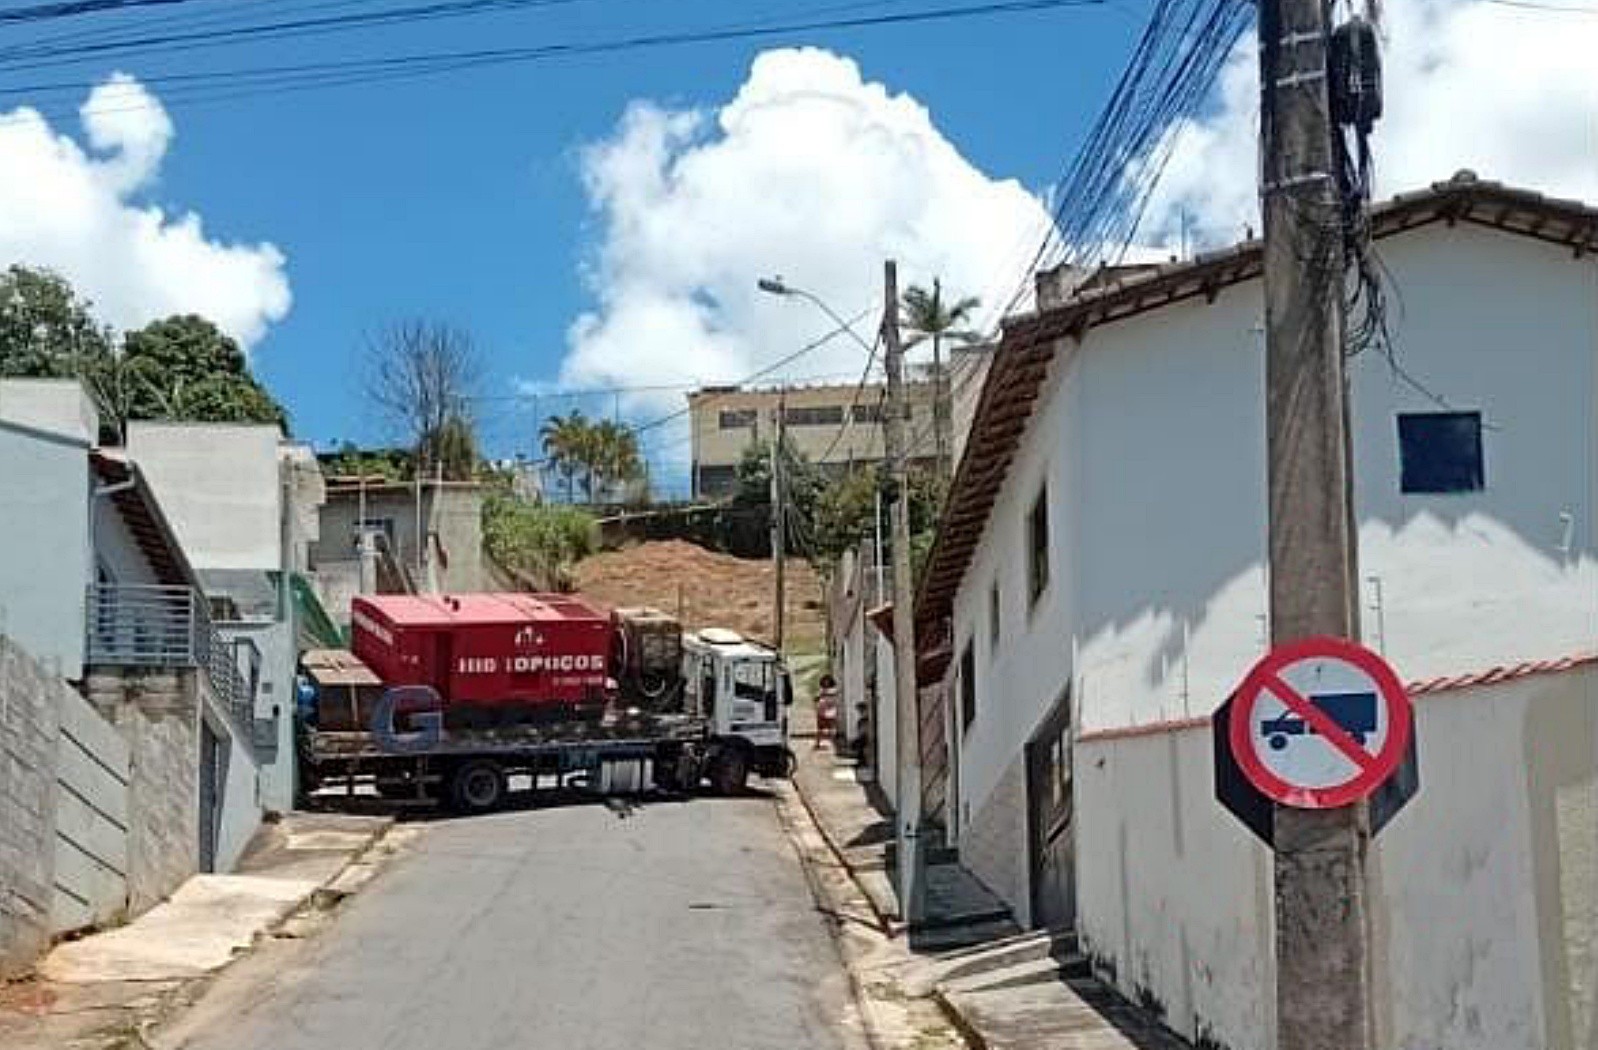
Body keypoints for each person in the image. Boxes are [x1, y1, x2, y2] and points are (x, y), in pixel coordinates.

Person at [814, 674, 839, 749]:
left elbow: (832, 695)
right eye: (825, 681)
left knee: (831, 727)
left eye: (827, 681)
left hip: (831, 711)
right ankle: (818, 743)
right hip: (822, 710)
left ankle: (833, 743)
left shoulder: (833, 689)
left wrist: (823, 695)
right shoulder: (821, 690)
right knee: (820, 728)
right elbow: (817, 698)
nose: (826, 682)